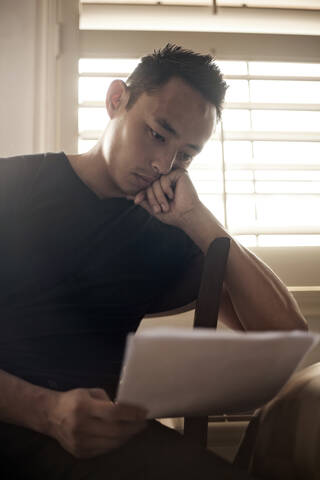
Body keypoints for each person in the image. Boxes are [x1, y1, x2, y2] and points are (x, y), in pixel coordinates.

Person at [0, 44, 307, 479]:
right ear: (115, 101)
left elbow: (286, 336)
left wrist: (199, 220)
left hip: (102, 443)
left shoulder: (165, 230)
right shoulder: (11, 185)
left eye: (185, 155)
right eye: (158, 134)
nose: (164, 164)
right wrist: (46, 412)